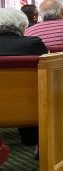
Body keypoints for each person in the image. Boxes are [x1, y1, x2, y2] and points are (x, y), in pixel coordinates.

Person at [0, 8, 48, 149]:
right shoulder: (32, 43)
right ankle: (34, 140)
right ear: (22, 26)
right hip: (30, 104)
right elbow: (51, 69)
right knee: (32, 89)